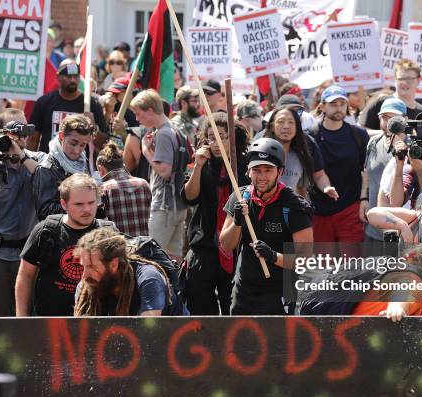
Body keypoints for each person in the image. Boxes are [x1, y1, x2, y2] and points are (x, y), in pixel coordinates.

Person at [219, 138, 313, 315]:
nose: (262, 177)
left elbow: (305, 260)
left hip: (280, 292)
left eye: (268, 170)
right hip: (244, 289)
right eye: (256, 170)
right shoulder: (239, 197)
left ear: (280, 171)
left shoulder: (295, 206)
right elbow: (226, 245)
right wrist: (237, 223)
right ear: (248, 172)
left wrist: (272, 256)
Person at [0, 109, 45, 317]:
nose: (22, 137)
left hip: (28, 254)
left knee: (28, 316)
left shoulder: (36, 159)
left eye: (25, 130)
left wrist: (20, 156)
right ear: (1, 133)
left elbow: (46, 181)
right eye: (15, 131)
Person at [16, 174, 116, 316]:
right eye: (79, 204)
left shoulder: (108, 234)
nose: (87, 209)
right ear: (64, 204)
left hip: (95, 323)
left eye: (92, 202)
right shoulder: (46, 231)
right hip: (49, 323)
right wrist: (21, 319)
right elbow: (25, 275)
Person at [181, 113, 249, 315]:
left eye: (222, 136)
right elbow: (189, 197)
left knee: (234, 307)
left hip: (236, 246)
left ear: (233, 138)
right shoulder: (201, 163)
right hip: (204, 244)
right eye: (212, 137)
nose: (216, 142)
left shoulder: (244, 165)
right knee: (200, 305)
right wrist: (199, 166)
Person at [353, 225, 422, 321]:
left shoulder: (417, 274)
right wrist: (397, 308)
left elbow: (417, 313)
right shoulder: (412, 277)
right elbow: (403, 292)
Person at [309, 85, 369, 248]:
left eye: (342, 104)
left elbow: (366, 170)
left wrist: (364, 199)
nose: (338, 108)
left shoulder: (359, 135)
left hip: (350, 209)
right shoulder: (310, 136)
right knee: (324, 269)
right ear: (322, 106)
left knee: (351, 268)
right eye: (333, 104)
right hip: (319, 211)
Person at [132, 89, 188, 260]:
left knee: (149, 257)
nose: (136, 119)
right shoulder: (175, 129)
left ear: (150, 110)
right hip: (178, 205)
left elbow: (165, 171)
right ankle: (173, 287)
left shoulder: (164, 133)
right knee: (173, 257)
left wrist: (145, 150)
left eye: (138, 113)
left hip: (164, 205)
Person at [73, 228, 172, 316]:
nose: (84, 276)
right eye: (84, 267)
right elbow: (83, 333)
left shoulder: (149, 279)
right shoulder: (86, 287)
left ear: (113, 265)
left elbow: (148, 331)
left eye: (92, 267)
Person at [28, 59, 108, 154]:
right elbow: (32, 140)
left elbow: (103, 144)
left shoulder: (92, 104)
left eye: (76, 76)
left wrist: (93, 127)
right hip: (48, 164)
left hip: (80, 166)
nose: (73, 80)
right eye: (68, 76)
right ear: (58, 77)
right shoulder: (44, 102)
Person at [361, 98, 408, 245]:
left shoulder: (412, 147)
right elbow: (367, 171)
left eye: (394, 118)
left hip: (403, 232)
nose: (389, 122)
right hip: (374, 228)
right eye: (384, 117)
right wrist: (364, 198)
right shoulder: (374, 142)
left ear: (405, 120)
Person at [264, 106, 337, 199]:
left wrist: (326, 187)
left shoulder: (301, 155)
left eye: (291, 122)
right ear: (272, 126)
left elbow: (303, 187)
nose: (286, 126)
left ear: (297, 127)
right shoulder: (261, 152)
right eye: (281, 121)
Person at [32, 114, 94, 221]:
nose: (77, 150)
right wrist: (77, 204)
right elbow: (45, 212)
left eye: (83, 145)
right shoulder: (46, 168)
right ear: (61, 136)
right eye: (73, 143)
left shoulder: (83, 162)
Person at [97, 141, 151, 237]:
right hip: (143, 246)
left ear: (101, 169)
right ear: (123, 166)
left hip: (118, 248)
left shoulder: (103, 189)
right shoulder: (144, 184)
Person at [358, 59, 422, 131]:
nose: (405, 82)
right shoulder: (381, 102)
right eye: (401, 78)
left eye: (409, 78)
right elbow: (360, 131)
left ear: (418, 80)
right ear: (395, 80)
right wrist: (386, 134)